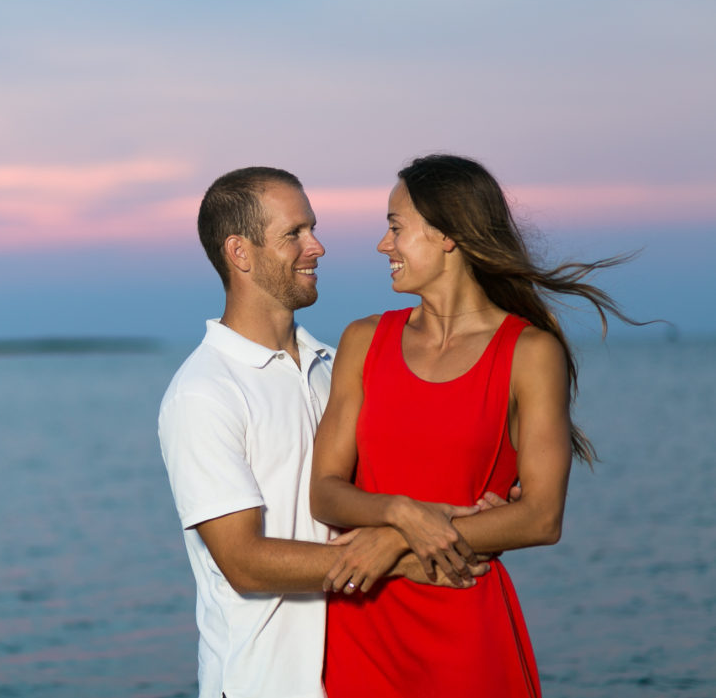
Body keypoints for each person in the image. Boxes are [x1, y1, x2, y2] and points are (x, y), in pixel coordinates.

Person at [310, 154, 640, 697]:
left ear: (446, 235)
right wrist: (400, 513)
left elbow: (540, 518)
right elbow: (325, 492)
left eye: (395, 228)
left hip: (463, 619)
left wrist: (394, 543)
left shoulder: (530, 353)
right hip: (364, 628)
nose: (382, 245)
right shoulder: (363, 341)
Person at [159, 166, 492, 698]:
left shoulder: (337, 367)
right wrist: (406, 559)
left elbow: (394, 482)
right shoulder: (203, 392)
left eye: (312, 228)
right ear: (240, 253)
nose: (317, 246)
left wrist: (481, 503)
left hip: (366, 670)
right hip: (263, 684)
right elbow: (244, 562)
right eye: (294, 234)